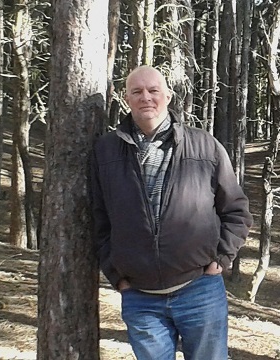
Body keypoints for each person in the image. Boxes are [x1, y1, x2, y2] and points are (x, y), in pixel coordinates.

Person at [91, 65, 253, 360]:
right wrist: (117, 275)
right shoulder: (106, 151)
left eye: (153, 90)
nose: (146, 98)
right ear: (126, 99)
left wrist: (221, 259)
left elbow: (236, 210)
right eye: (136, 92)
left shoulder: (204, 145)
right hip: (140, 298)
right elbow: (98, 219)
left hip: (199, 290)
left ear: (168, 95)